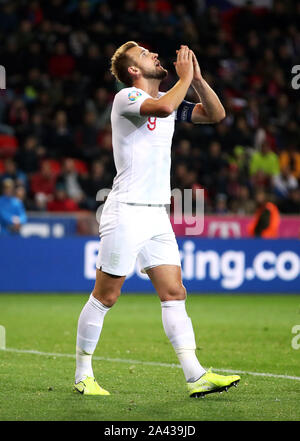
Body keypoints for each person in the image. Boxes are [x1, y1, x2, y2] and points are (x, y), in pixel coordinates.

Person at [74, 42, 240, 397]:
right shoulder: (127, 99)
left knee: (174, 292)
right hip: (126, 210)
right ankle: (83, 374)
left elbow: (216, 115)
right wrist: (182, 79)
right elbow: (164, 107)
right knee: (106, 296)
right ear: (133, 70)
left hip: (157, 216)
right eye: (146, 54)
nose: (154, 55)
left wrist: (195, 79)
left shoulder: (170, 95)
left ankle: (195, 374)